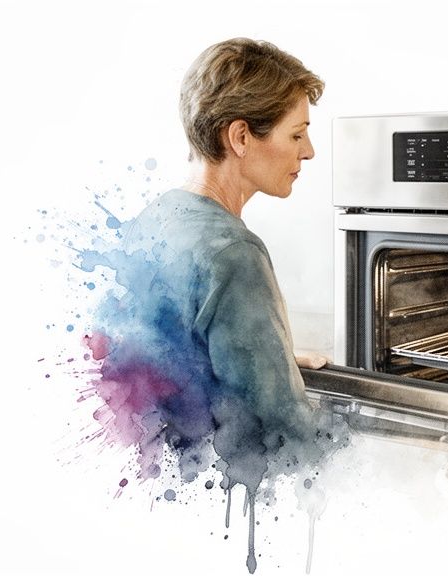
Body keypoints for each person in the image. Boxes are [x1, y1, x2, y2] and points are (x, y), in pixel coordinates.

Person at [82, 37, 339, 500]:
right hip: (213, 494)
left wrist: (264, 361)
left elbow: (156, 359)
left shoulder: (157, 218)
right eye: (297, 134)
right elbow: (287, 437)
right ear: (240, 137)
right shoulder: (234, 253)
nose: (309, 152)